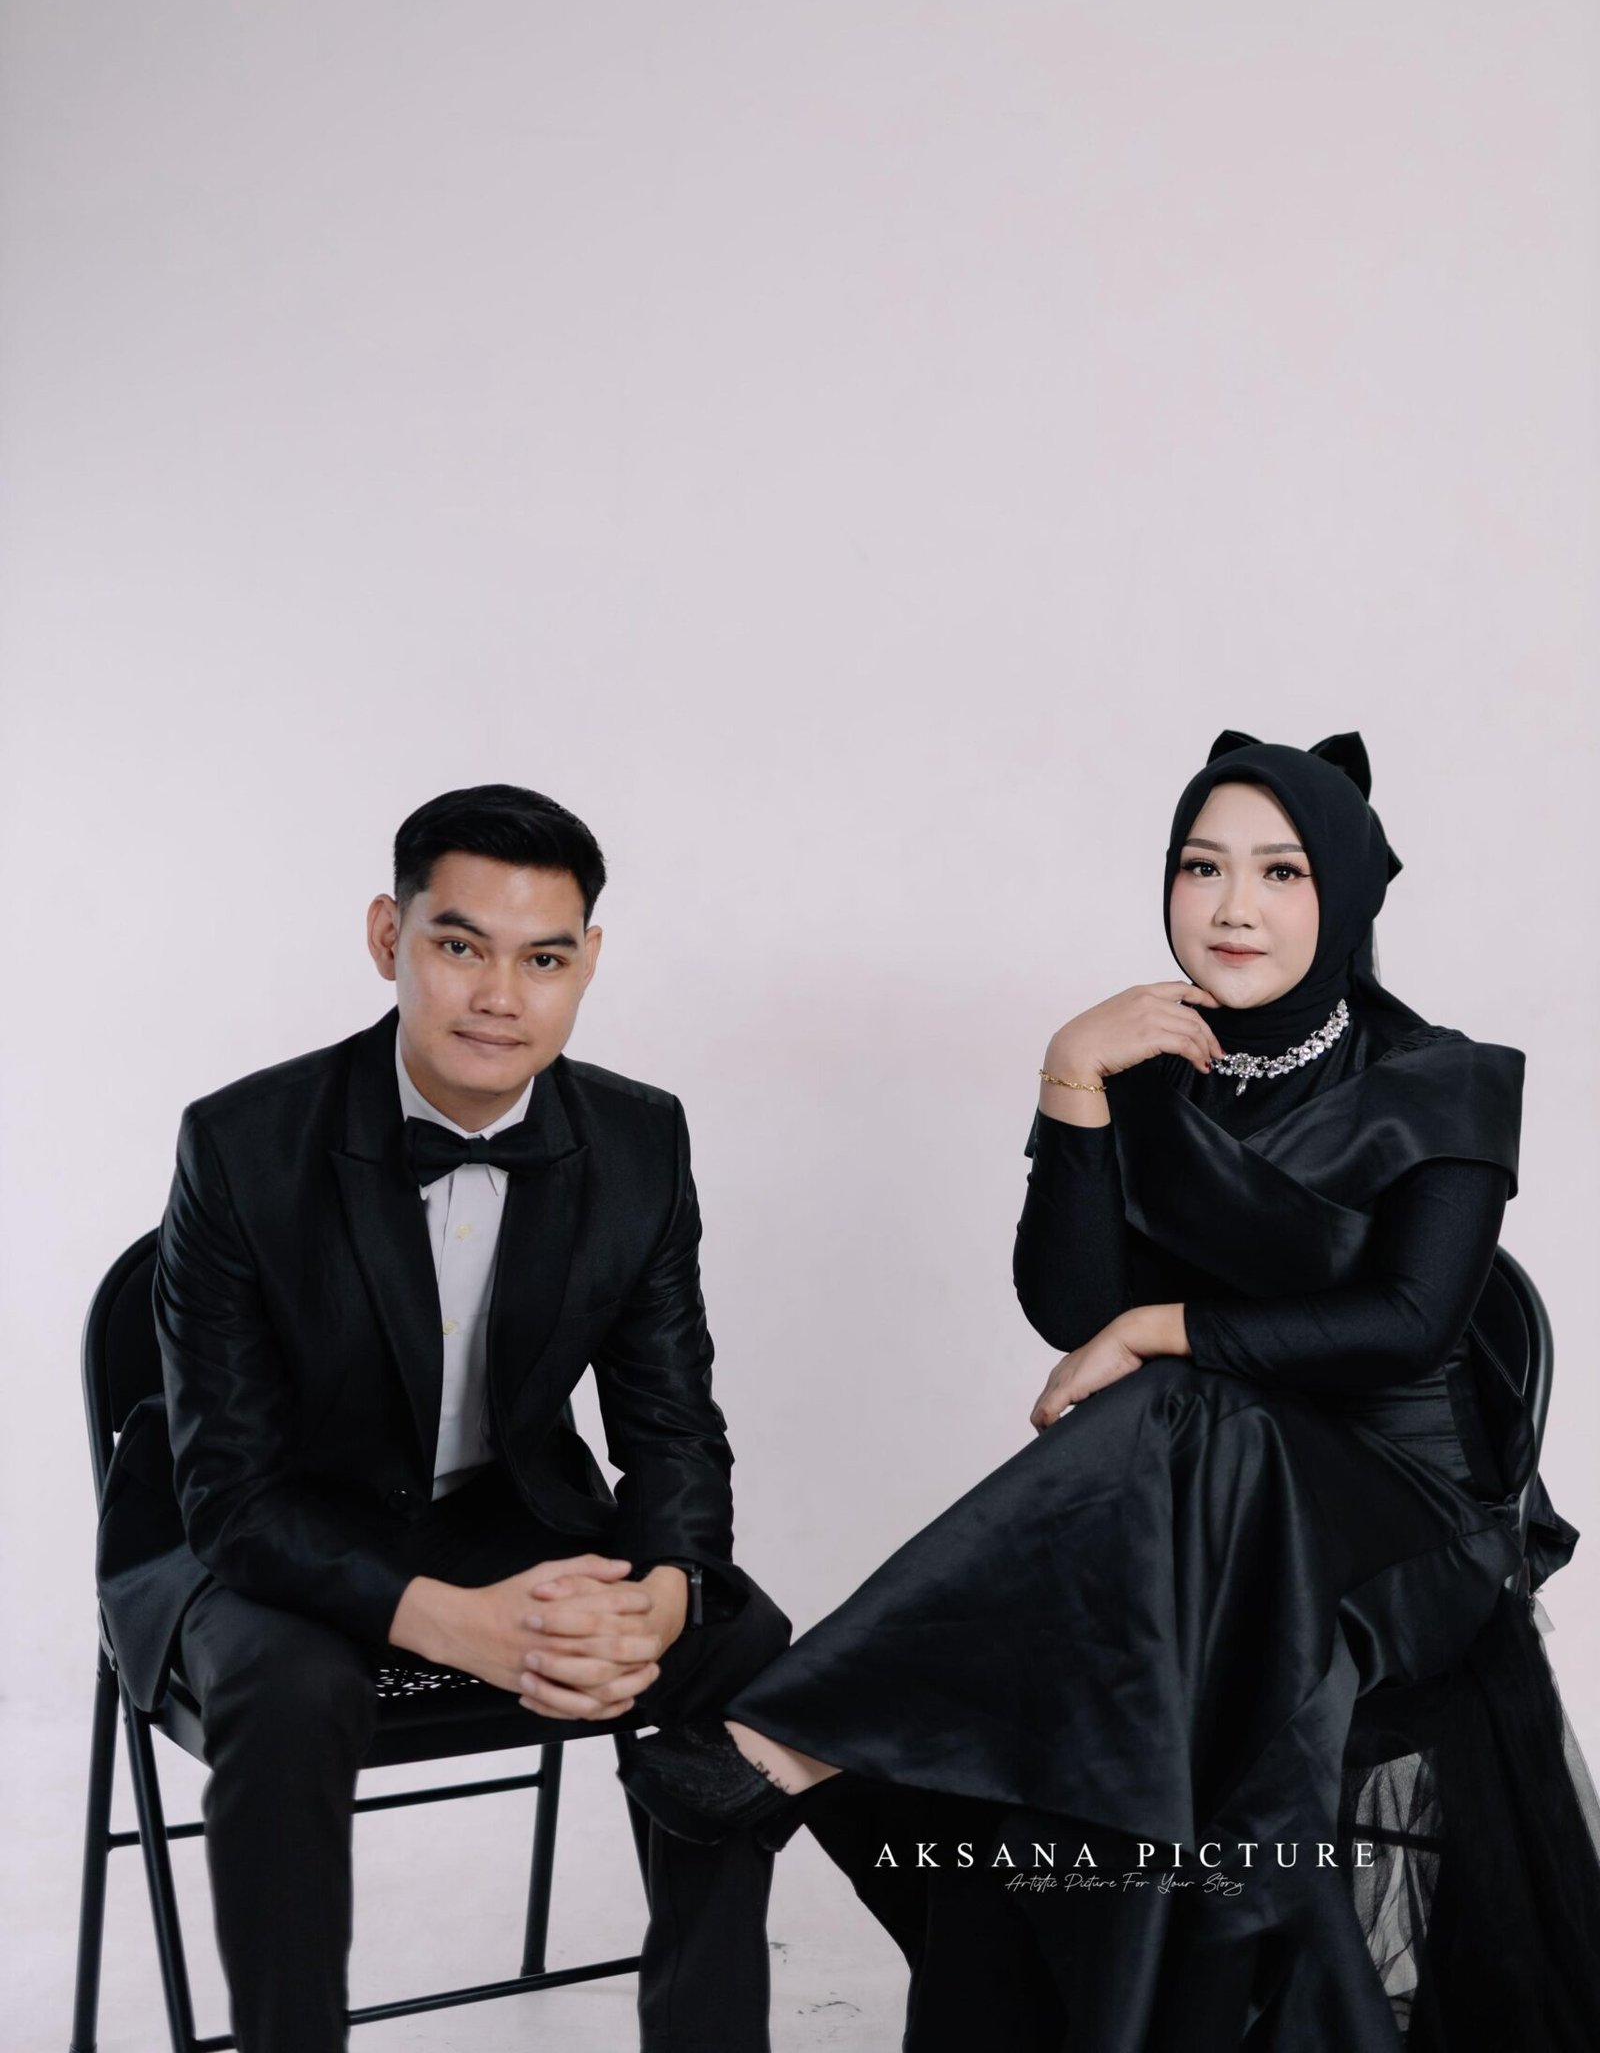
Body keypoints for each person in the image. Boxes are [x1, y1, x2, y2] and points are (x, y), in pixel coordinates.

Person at [616, 730, 1600, 2050]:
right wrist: (1071, 1081)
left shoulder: (1445, 1078)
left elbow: (1407, 1324)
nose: (1233, 906)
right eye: (1202, 867)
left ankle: (808, 1734)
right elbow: (1069, 1311)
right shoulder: (1145, 1065)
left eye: (1282, 873)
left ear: (1348, 896)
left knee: (1187, 1406)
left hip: (1408, 1521)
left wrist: (1162, 1326)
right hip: (1207, 1509)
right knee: (1180, 1443)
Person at [94, 783, 791, 2053]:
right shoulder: (240, 1143)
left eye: (544, 960)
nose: (499, 997)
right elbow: (233, 1498)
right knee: (292, 1695)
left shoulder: (639, 1140)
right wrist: (456, 1625)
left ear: (589, 963)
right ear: (388, 937)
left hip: (494, 1511)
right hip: (259, 1540)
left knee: (737, 1642)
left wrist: (665, 1593)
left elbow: (672, 1423)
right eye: (460, 946)